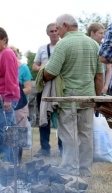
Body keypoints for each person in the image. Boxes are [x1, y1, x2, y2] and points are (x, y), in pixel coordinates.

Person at [44, 14, 103, 178]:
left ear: (65, 25)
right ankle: (85, 170)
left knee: (69, 135)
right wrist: (97, 99)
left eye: (58, 29)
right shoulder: (94, 44)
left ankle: (70, 170)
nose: (57, 33)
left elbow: (50, 72)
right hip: (88, 98)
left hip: (68, 98)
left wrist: (43, 72)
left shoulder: (63, 44)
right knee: (86, 135)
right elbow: (99, 76)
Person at [0, 27, 20, 162]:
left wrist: (8, 98)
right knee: (6, 132)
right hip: (1, 97)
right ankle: (7, 162)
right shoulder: (2, 54)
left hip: (6, 99)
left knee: (5, 133)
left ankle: (6, 163)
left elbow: (10, 77)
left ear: (4, 40)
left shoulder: (7, 53)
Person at [33, 23, 61, 157]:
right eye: (51, 31)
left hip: (60, 87)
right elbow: (34, 66)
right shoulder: (42, 48)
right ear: (47, 33)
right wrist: (44, 68)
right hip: (44, 86)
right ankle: (45, 148)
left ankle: (63, 148)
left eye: (56, 30)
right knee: (43, 116)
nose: (54, 33)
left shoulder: (64, 46)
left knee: (62, 117)